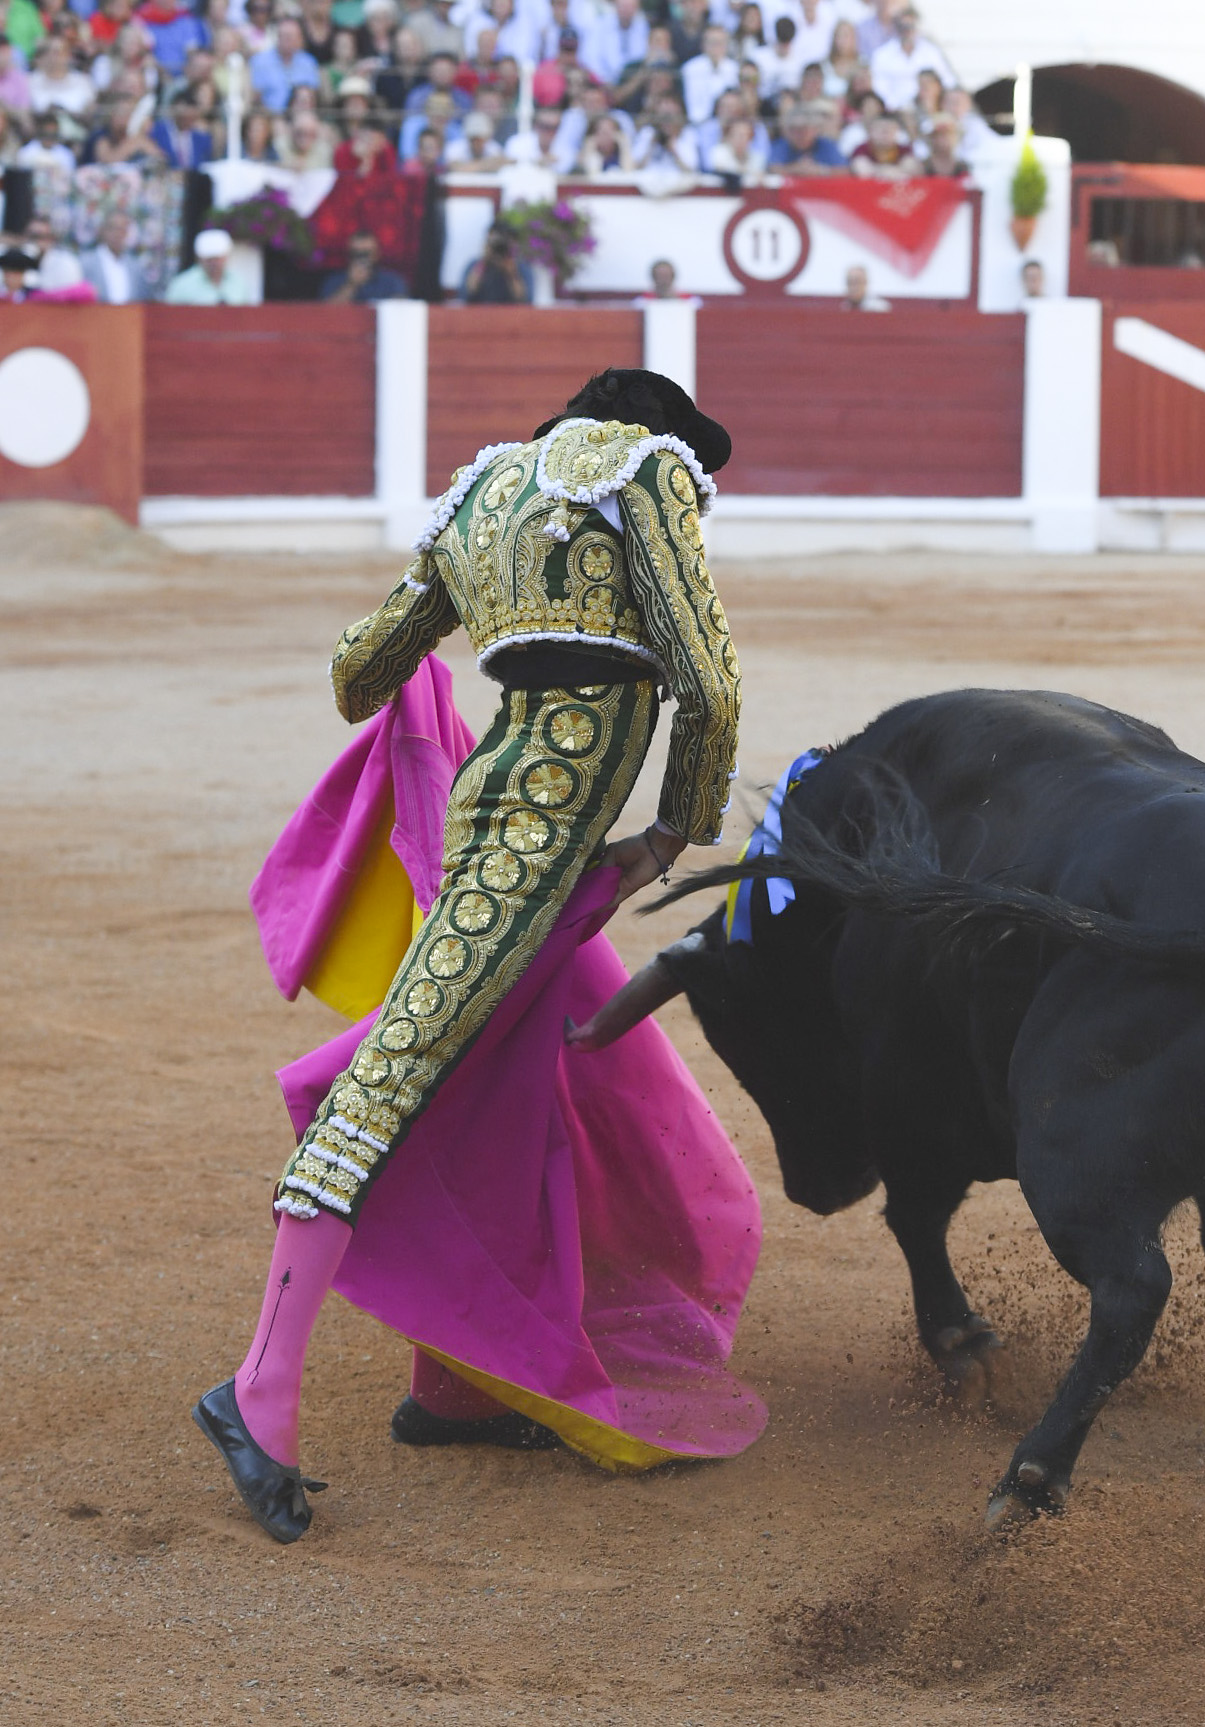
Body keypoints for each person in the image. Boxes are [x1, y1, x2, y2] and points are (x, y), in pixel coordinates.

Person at [193, 368, 744, 1543]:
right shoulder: (644, 472)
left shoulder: (482, 494)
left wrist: (441, 666)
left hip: (496, 814)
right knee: (392, 1080)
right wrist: (672, 833)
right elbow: (706, 675)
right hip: (540, 844)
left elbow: (356, 673)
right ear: (660, 439)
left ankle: (450, 1385)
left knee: (502, 1077)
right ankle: (256, 1389)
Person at [868, 6, 953, 111]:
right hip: (894, 111)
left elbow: (946, 79)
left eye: (911, 26)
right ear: (896, 27)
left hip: (928, 109)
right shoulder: (882, 55)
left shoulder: (931, 52)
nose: (907, 31)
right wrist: (895, 106)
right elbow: (879, 87)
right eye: (903, 27)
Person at [250, 16, 320, 112]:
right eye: (285, 36)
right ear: (277, 37)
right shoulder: (260, 61)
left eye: (292, 36)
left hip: (300, 116)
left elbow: (313, 98)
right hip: (269, 117)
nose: (288, 40)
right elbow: (255, 98)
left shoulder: (308, 62)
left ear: (300, 38)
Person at [166, 226, 249, 303]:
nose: (214, 264)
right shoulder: (182, 285)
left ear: (226, 257)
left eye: (217, 258)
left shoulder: (239, 282)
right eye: (209, 260)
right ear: (199, 259)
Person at [80, 209, 149, 302]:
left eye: (123, 229)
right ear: (103, 230)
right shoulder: (86, 263)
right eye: (113, 228)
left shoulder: (135, 267)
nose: (118, 234)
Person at [320, 229, 407, 302]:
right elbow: (327, 313)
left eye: (366, 253)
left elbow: (400, 309)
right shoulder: (334, 281)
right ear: (348, 255)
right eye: (356, 253)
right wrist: (352, 285)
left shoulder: (392, 282)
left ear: (377, 254)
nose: (362, 258)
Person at [461, 220, 529, 301]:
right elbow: (467, 293)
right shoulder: (475, 265)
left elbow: (524, 299)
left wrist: (512, 273)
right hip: (480, 312)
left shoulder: (521, 267)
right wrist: (483, 262)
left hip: (510, 312)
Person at [768, 101, 844, 172]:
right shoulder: (781, 145)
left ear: (815, 130)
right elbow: (771, 168)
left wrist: (820, 170)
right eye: (794, 129)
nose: (800, 134)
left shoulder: (826, 145)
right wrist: (796, 169)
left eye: (805, 129)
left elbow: (843, 169)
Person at [22, 214, 83, 292]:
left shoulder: (66, 263)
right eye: (30, 236)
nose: (34, 241)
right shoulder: (20, 260)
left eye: (39, 236)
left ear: (51, 238)